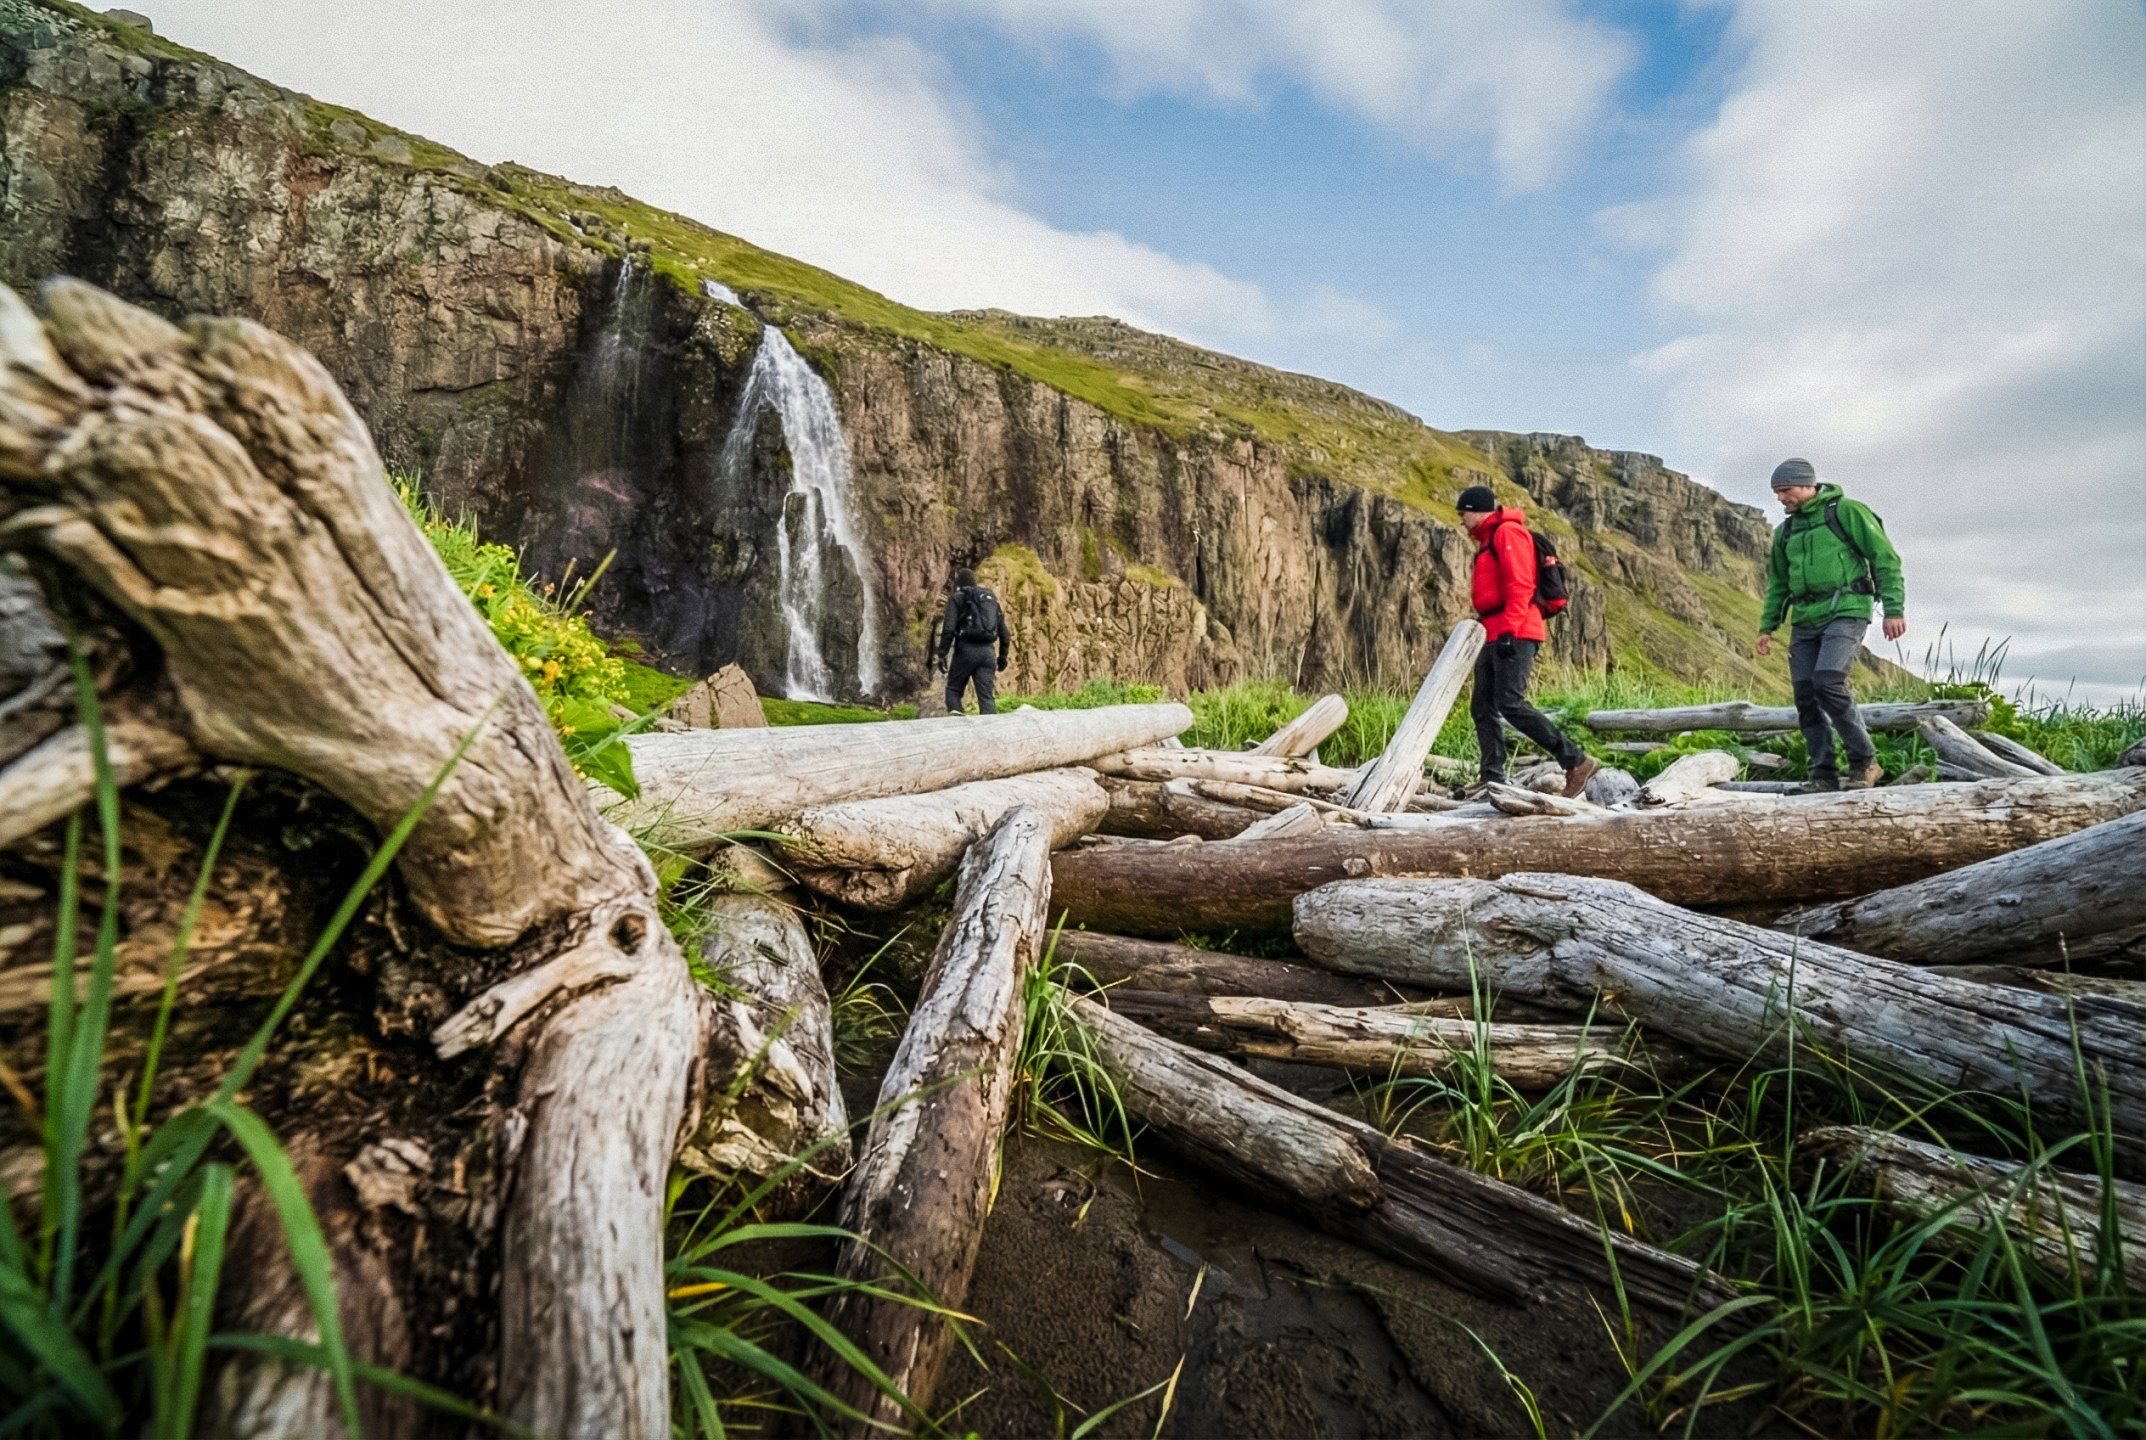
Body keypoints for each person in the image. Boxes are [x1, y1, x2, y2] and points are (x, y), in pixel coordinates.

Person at [1755, 458, 1906, 791]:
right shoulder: (1786, 532)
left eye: (1786, 490)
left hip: (1848, 608)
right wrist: (1767, 628)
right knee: (1805, 695)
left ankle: (1864, 763)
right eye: (1777, 493)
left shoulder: (1847, 512)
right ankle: (1822, 774)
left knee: (1828, 681)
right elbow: (1779, 584)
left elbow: (1885, 559)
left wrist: (1894, 609)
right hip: (1806, 618)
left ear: (1808, 485)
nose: (1781, 498)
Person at [1457, 486, 1599, 797]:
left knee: (1511, 703)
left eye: (1463, 512)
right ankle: (1491, 776)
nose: (1461, 519)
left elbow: (1520, 583)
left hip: (1515, 629)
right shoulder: (1488, 541)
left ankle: (1575, 761)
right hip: (1493, 631)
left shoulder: (1508, 533)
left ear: (1478, 509)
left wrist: (1509, 629)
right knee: (1482, 706)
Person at [935, 567, 1010, 715]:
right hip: (988, 653)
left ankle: (958, 725)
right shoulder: (990, 600)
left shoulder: (957, 597)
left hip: (966, 651)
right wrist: (1002, 658)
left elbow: (949, 629)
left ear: (958, 585)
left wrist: (942, 654)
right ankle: (990, 733)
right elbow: (1005, 634)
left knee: (954, 690)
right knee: (987, 698)